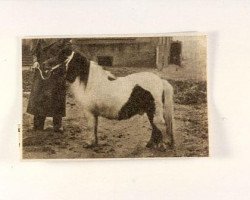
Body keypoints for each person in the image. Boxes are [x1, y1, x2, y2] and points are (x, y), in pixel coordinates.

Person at [27, 38, 71, 132]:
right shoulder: (40, 36)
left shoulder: (64, 37)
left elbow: (65, 53)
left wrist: (49, 63)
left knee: (57, 97)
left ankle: (57, 125)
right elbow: (35, 51)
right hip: (41, 72)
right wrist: (35, 61)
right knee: (39, 97)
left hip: (57, 71)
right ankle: (38, 125)